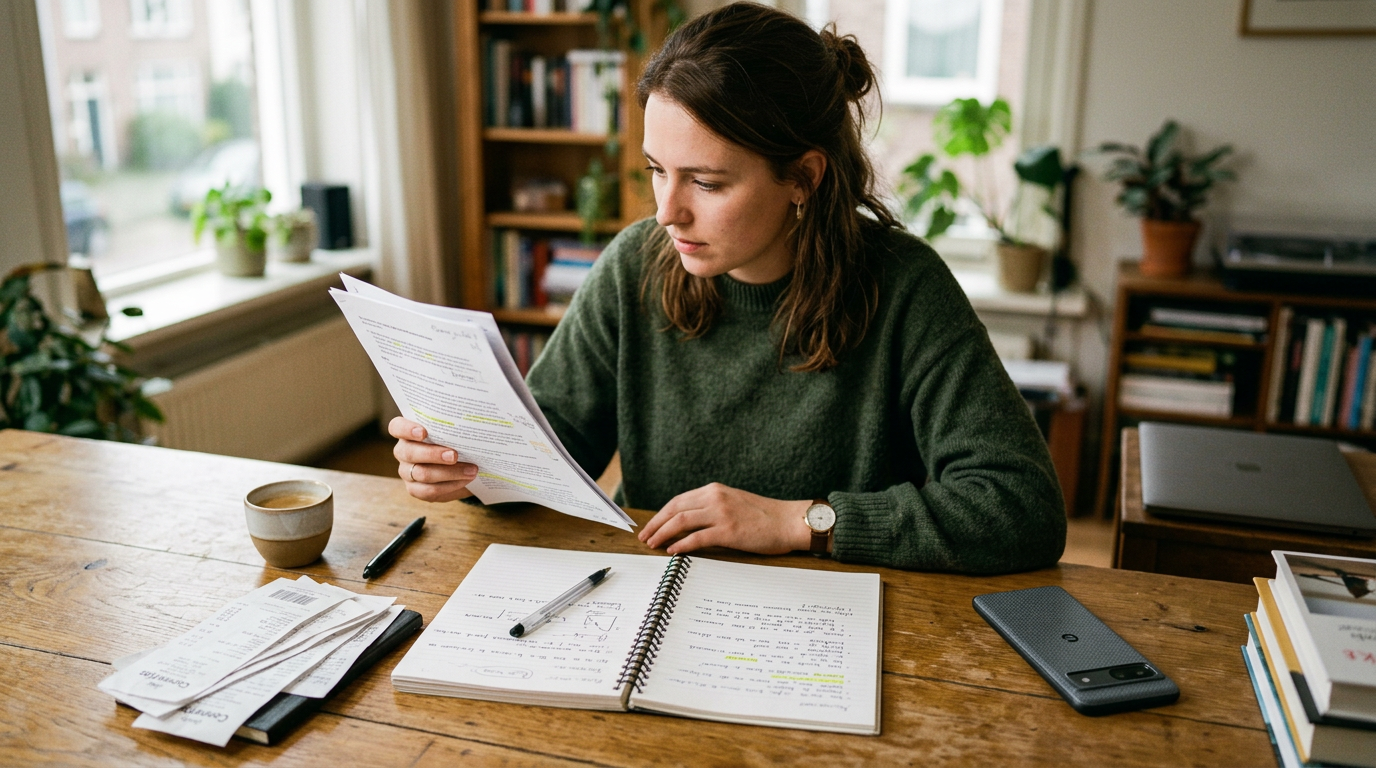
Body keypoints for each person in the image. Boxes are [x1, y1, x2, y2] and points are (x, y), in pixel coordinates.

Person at [390, 2, 1066, 574]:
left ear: (803, 178)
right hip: (656, 596)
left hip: (839, 628)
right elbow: (547, 457)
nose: (667, 212)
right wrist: (465, 465)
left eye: (707, 183)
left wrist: (799, 521)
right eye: (657, 170)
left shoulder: (906, 287)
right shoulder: (635, 265)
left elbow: (1021, 507)